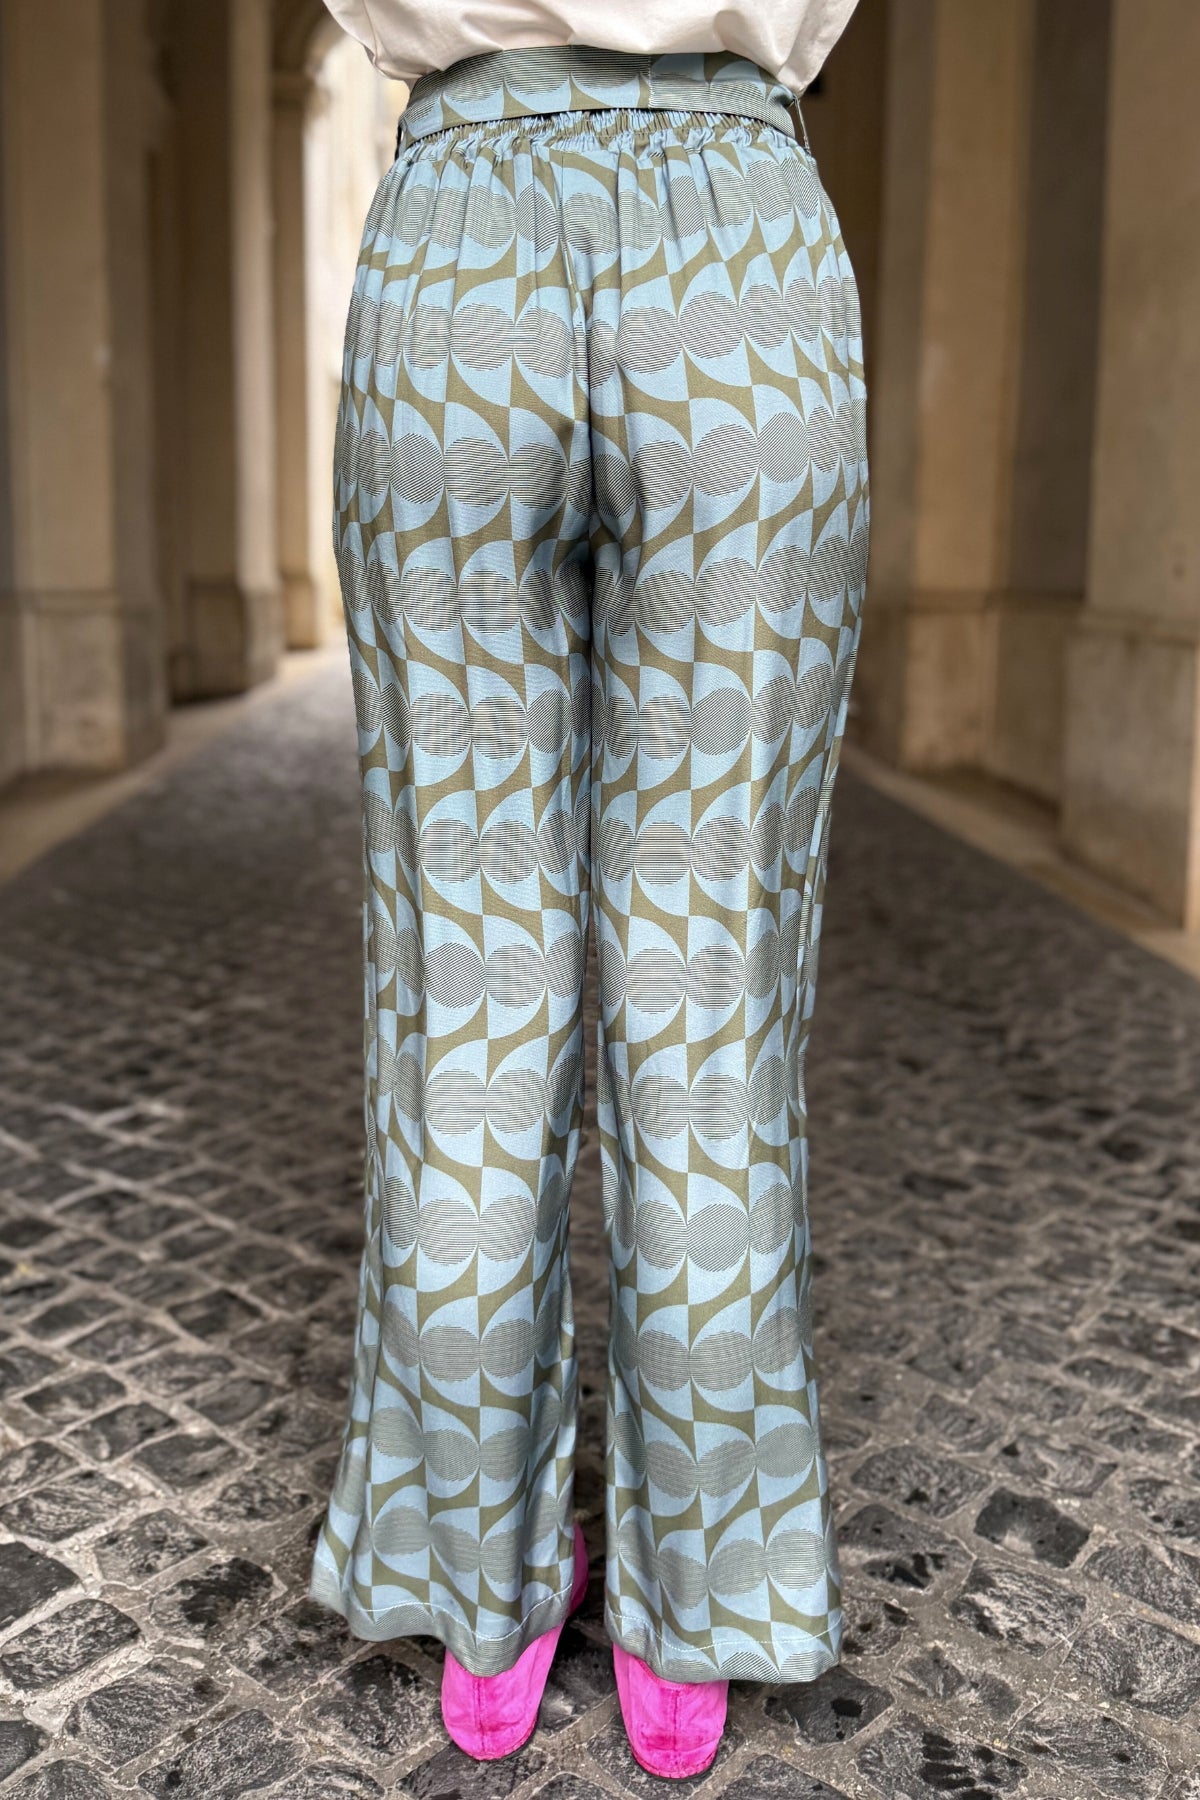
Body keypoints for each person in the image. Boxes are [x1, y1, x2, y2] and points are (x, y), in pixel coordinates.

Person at [310, 2, 866, 1780]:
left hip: (458, 260)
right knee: (709, 984)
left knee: (466, 974)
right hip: (740, 267)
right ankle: (700, 1606)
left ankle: (476, 1588)